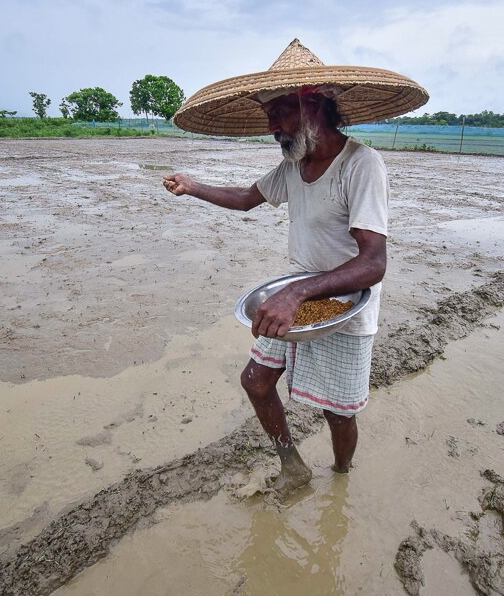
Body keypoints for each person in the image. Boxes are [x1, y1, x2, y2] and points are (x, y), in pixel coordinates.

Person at [163, 39, 428, 498]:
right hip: (298, 300)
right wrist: (193, 186)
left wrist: (299, 292)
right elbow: (247, 199)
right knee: (256, 382)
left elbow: (373, 262)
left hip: (346, 307)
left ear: (314, 104)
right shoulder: (293, 166)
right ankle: (293, 467)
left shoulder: (361, 166)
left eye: (280, 111)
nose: (272, 126)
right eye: (269, 115)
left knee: (338, 412)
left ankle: (342, 475)